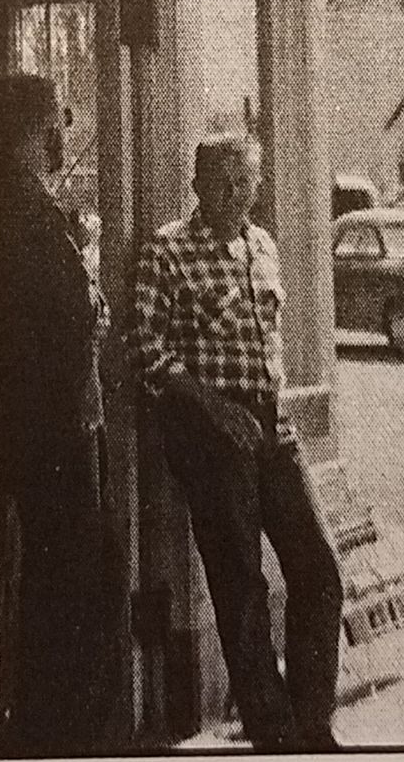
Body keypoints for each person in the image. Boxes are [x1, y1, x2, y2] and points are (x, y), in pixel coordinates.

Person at [131, 135, 344, 753]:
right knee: (241, 586)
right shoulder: (167, 253)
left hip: (273, 430)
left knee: (318, 568)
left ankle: (311, 722)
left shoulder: (264, 247)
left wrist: (276, 412)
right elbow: (147, 351)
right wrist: (216, 410)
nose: (235, 195)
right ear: (196, 184)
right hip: (214, 438)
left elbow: (270, 345)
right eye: (222, 181)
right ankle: (272, 733)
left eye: (246, 182)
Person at [0, 74, 114, 756]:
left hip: (45, 419)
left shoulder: (25, 205)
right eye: (59, 121)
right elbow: (69, 314)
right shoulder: (25, 210)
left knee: (56, 572)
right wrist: (93, 306)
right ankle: (60, 728)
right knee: (68, 574)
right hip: (53, 425)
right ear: (43, 129)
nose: (64, 136)